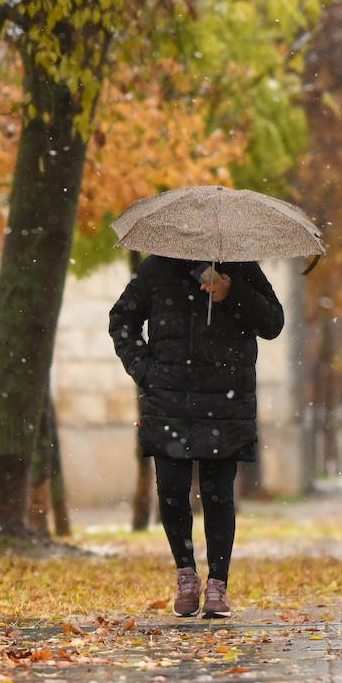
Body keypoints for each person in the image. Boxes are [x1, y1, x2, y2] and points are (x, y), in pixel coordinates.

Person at [109, 255, 284, 618]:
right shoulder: (157, 267)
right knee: (172, 492)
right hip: (169, 400)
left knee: (219, 496)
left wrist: (232, 293)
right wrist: (146, 371)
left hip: (224, 400)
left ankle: (218, 583)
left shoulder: (239, 266)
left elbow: (273, 323)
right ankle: (186, 575)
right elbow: (121, 319)